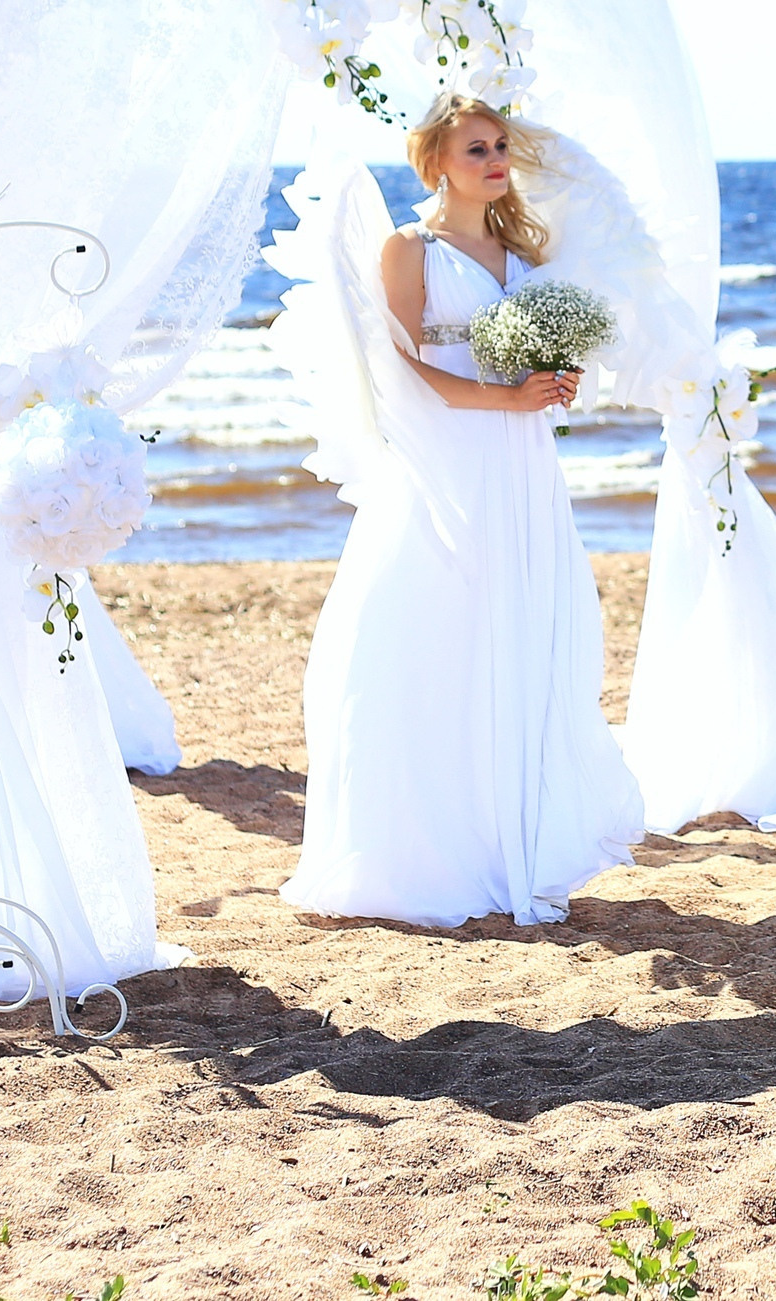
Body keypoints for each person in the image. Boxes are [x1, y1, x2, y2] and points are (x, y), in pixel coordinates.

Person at [276, 92, 646, 927]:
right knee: (433, 625)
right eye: (474, 148)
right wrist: (502, 398)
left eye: (499, 146)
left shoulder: (521, 246)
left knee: (517, 628)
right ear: (436, 160)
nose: (493, 160)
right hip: (448, 455)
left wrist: (551, 380)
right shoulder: (410, 249)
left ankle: (506, 829)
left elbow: (529, 360)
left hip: (521, 460)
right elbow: (398, 371)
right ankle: (425, 844)